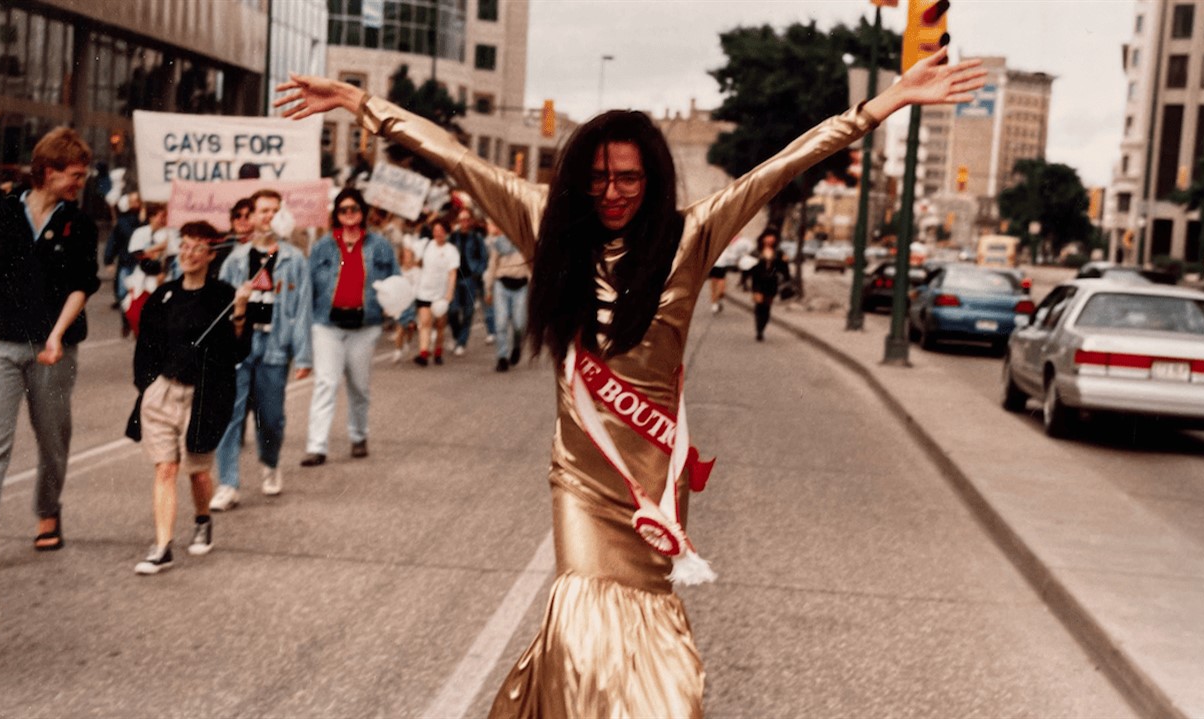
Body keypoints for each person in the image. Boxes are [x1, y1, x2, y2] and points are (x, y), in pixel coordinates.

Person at [277, 46, 985, 716]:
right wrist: (357, 101)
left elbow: (780, 167)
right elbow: (454, 158)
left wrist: (885, 103)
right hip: (582, 481)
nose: (612, 192)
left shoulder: (690, 237)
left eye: (629, 178)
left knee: (658, 657)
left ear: (651, 181)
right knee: (584, 621)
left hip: (653, 485)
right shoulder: (545, 224)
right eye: (599, 176)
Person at [0, 127, 101, 569]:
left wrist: (56, 335)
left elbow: (82, 285)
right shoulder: (0, 213)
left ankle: (47, 511)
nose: (79, 183)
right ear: (47, 170)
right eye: (74, 175)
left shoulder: (79, 223)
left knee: (53, 439)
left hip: (55, 348)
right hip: (1, 343)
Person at [127, 222, 251, 574]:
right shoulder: (163, 295)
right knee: (166, 467)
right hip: (163, 392)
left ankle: (202, 518)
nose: (188, 254)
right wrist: (148, 387)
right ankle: (163, 545)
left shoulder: (225, 295)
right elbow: (145, 348)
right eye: (184, 246)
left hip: (205, 396)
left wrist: (240, 312)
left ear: (212, 255)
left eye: (198, 248)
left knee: (197, 472)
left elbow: (238, 351)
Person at [210, 189, 312, 511]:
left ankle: (270, 463)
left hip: (274, 347)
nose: (267, 217)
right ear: (251, 217)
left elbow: (301, 308)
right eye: (262, 211)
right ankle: (228, 483)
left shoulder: (294, 259)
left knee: (271, 418)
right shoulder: (236, 260)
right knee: (229, 416)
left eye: (273, 210)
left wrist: (303, 355)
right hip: (238, 347)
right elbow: (219, 306)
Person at [300, 188, 404, 467]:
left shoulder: (380, 246)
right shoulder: (322, 246)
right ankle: (317, 446)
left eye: (354, 209)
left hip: (365, 325)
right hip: (327, 324)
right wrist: (301, 327)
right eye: (344, 209)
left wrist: (402, 314)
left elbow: (397, 282)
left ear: (363, 213)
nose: (349, 215)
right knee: (326, 383)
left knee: (359, 386)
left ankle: (359, 436)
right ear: (336, 213)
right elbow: (307, 288)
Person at [411, 219, 459, 367]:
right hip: (424, 291)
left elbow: (452, 273)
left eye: (441, 231)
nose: (438, 233)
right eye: (435, 230)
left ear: (446, 233)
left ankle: (438, 350)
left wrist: (449, 293)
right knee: (425, 322)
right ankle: (424, 353)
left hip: (440, 294)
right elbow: (416, 262)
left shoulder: (451, 251)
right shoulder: (426, 245)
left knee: (439, 325)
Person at [484, 219, 529, 372]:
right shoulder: (498, 243)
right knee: (501, 322)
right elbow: (492, 265)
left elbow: (531, 266)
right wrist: (488, 289)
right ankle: (502, 357)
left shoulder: (526, 244)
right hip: (502, 284)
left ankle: (516, 347)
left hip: (521, 285)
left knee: (519, 324)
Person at [447, 208, 491, 355]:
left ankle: (461, 342)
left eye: (466, 220)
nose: (464, 223)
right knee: (452, 310)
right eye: (461, 220)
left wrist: (477, 272)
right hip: (455, 277)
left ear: (470, 221)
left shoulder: (476, 238)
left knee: (467, 311)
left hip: (469, 279)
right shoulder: (454, 237)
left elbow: (484, 258)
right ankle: (457, 335)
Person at [744, 228, 791, 342]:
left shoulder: (779, 253)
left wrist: (785, 267)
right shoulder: (755, 252)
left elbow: (784, 269)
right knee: (759, 304)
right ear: (763, 238)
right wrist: (744, 280)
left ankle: (763, 327)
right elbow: (746, 268)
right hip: (758, 282)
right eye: (768, 236)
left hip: (771, 283)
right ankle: (759, 329)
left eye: (772, 237)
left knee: (767, 306)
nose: (770, 239)